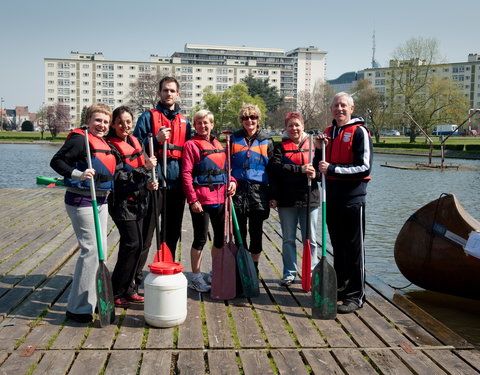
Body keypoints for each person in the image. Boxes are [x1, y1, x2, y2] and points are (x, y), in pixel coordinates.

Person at [50, 103, 115, 323]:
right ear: (88, 120)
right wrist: (78, 173)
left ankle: (93, 301)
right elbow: (56, 162)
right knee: (91, 251)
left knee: (101, 251)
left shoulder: (103, 141)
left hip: (101, 199)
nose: (102, 125)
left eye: (106, 122)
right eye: (98, 120)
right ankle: (77, 308)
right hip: (81, 199)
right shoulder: (80, 139)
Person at [316, 92, 373, 314]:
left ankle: (356, 295)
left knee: (354, 248)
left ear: (351, 108)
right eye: (335, 106)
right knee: (338, 247)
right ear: (331, 109)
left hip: (353, 200)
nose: (339, 109)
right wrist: (319, 151)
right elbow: (319, 164)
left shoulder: (360, 132)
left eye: (343, 105)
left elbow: (364, 167)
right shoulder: (329, 133)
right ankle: (340, 288)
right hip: (332, 198)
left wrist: (331, 169)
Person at [133, 76, 191, 265]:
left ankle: (167, 265)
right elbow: (134, 148)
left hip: (176, 184)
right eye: (165, 90)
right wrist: (156, 140)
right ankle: (136, 275)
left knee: (172, 231)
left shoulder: (185, 121)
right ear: (159, 93)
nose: (168, 94)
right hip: (154, 182)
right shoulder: (147, 117)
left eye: (172, 91)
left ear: (178, 94)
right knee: (147, 231)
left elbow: (191, 151)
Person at [106, 106, 158, 308]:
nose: (124, 126)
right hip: (121, 203)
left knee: (138, 246)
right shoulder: (111, 147)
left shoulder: (135, 141)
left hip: (139, 200)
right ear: (113, 124)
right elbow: (119, 178)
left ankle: (129, 289)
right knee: (131, 245)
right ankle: (116, 291)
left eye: (128, 122)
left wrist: (148, 182)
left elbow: (142, 173)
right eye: (120, 122)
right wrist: (144, 168)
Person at [181, 110, 236, 292]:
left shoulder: (218, 143)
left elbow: (227, 169)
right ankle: (196, 276)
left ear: (212, 124)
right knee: (200, 239)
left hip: (220, 199)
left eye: (206, 122)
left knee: (220, 239)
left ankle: (215, 271)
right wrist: (192, 199)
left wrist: (233, 182)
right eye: (199, 123)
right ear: (194, 126)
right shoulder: (191, 145)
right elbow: (186, 174)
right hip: (201, 200)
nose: (203, 126)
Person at [268, 112, 320, 286]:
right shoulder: (279, 147)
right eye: (290, 125)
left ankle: (310, 272)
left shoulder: (314, 145)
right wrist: (300, 170)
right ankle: (289, 273)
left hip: (309, 198)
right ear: (286, 128)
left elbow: (322, 170)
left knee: (310, 239)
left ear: (303, 126)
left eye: (297, 125)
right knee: (288, 238)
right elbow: (275, 170)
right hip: (287, 199)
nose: (294, 128)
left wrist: (316, 173)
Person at [230, 104, 273, 275]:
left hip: (259, 192)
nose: (249, 121)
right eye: (245, 118)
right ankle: (241, 267)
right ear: (241, 120)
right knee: (239, 232)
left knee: (256, 233)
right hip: (238, 190)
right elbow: (226, 166)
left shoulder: (267, 141)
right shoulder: (233, 139)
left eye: (253, 117)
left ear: (258, 119)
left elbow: (273, 170)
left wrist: (273, 195)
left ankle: (253, 269)